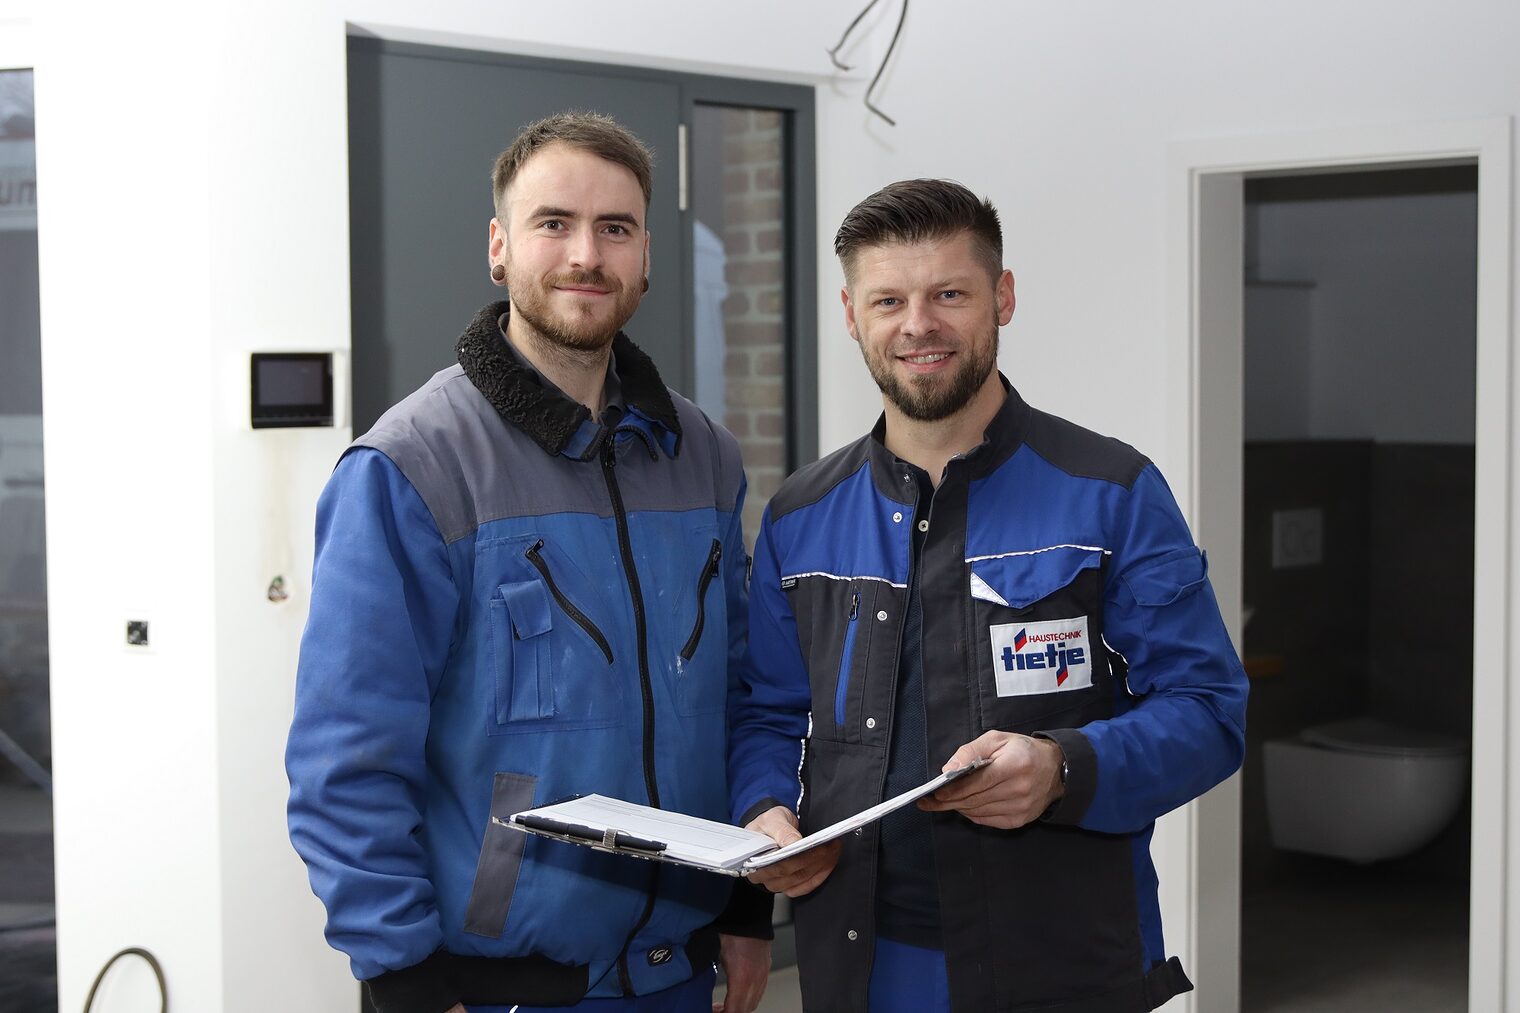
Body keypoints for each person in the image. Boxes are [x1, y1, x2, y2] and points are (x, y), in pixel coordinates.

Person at [286, 112, 771, 1013]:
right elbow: (345, 759)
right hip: (498, 989)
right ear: (500, 247)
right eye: (555, 223)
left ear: (645, 256)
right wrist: (401, 973)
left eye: (615, 228)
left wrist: (747, 901)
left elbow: (738, 700)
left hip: (681, 973)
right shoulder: (411, 467)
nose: (586, 253)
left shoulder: (702, 453)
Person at [727, 179, 1249, 1012]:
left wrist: (1064, 766)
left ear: (1001, 298)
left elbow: (1211, 711)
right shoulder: (801, 517)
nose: (918, 324)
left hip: (1062, 962)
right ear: (851, 313)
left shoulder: (1110, 492)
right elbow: (767, 713)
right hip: (861, 965)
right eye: (888, 299)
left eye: (949, 294)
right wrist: (762, 812)